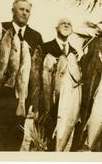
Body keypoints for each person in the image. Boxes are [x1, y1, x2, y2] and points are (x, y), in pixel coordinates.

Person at [0, 0, 43, 151]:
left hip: (22, 98)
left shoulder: (36, 36)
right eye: (21, 9)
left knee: (15, 141)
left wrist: (34, 100)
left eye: (27, 10)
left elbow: (37, 70)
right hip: (0, 95)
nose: (24, 13)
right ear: (13, 11)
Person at [70, 27, 102, 152]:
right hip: (85, 109)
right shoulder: (88, 58)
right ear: (100, 41)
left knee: (100, 146)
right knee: (78, 145)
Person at [41, 18, 77, 151]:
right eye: (63, 23)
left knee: (57, 142)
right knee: (41, 142)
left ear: (72, 31)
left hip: (64, 106)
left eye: (69, 24)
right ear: (56, 28)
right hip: (46, 102)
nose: (66, 25)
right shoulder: (45, 47)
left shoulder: (75, 53)